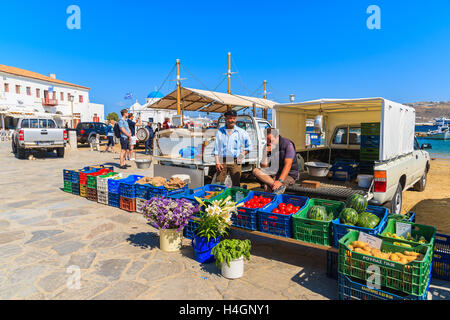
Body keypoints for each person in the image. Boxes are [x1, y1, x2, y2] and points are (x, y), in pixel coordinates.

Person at [252, 128, 299, 194]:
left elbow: (288, 164)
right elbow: (264, 167)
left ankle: (274, 188)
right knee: (256, 171)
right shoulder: (267, 146)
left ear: (277, 137)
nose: (269, 143)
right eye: (267, 141)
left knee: (268, 188)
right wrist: (265, 154)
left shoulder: (288, 144)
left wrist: (280, 181)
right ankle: (276, 186)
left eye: (271, 141)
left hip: (289, 174)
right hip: (274, 172)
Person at [213, 110, 251, 187]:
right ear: (225, 119)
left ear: (236, 119)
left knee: (236, 183)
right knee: (219, 182)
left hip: (235, 161)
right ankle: (219, 197)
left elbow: (249, 146)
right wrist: (217, 162)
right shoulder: (220, 131)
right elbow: (216, 148)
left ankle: (235, 198)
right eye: (229, 118)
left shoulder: (241, 132)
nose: (231, 120)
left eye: (233, 118)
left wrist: (241, 155)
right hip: (222, 160)